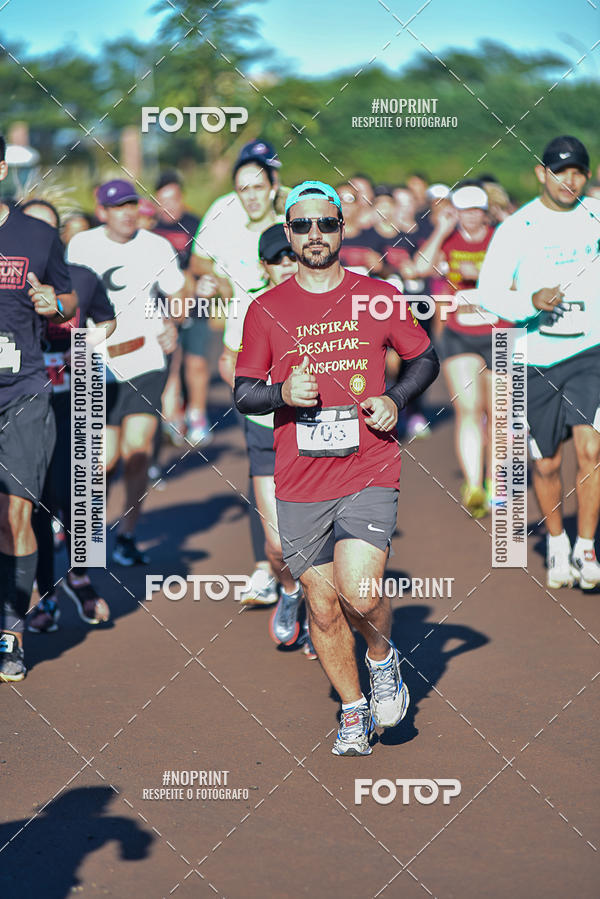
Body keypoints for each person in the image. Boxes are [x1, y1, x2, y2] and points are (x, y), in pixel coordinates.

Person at [234, 181, 439, 755]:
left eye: (326, 223)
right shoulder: (266, 309)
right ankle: (352, 709)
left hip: (368, 466)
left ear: (341, 229)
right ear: (289, 233)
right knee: (322, 606)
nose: (315, 234)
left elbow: (424, 358)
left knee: (361, 592)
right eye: (303, 225)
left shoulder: (377, 296)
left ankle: (382, 660)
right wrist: (281, 393)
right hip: (300, 478)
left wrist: (396, 398)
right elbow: (243, 393)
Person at [477, 136, 600, 588]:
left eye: (578, 172)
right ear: (540, 174)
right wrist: (529, 299)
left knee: (592, 450)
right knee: (546, 462)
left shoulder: (596, 216)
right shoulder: (517, 228)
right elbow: (488, 292)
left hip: (591, 350)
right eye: (559, 171)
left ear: (587, 175)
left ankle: (586, 547)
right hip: (536, 356)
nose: (569, 180)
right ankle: (557, 542)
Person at [68, 179, 183, 566]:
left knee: (137, 452)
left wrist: (172, 323)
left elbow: (178, 292)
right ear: (101, 212)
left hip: (145, 359)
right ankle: (91, 532)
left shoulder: (156, 246)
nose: (127, 213)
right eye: (118, 206)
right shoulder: (80, 246)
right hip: (95, 363)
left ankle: (127, 535)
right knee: (103, 461)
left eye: (132, 204)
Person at [219, 224, 317, 655]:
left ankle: (320, 617)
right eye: (277, 259)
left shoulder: (326, 298)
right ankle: (290, 591)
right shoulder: (248, 304)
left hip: (317, 428)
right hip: (266, 429)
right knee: (278, 545)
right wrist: (252, 389)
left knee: (321, 538)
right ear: (264, 266)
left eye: (292, 256)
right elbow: (228, 360)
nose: (287, 265)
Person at [0, 137, 77, 682]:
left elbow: (69, 300)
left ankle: (11, 633)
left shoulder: (37, 235)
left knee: (14, 517)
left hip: (22, 390)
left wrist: (55, 303)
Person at [19, 199, 116, 632]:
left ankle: (80, 576)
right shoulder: (8, 281)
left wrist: (85, 344)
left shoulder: (83, 278)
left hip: (76, 398)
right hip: (26, 401)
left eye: (45, 229)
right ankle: (45, 594)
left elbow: (107, 320)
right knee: (37, 499)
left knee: (81, 490)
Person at [412, 184, 504, 516]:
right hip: (459, 334)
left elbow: (521, 277)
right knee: (468, 409)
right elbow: (419, 267)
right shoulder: (448, 239)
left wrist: (483, 275)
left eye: (476, 210)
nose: (471, 217)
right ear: (456, 212)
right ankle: (474, 485)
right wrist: (441, 230)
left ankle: (495, 483)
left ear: (485, 212)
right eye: (464, 211)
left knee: (498, 415)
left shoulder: (500, 237)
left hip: (499, 333)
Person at [153, 171, 212, 446]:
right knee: (170, 363)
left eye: (173, 199)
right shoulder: (150, 228)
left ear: (182, 198)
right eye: (162, 200)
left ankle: (197, 416)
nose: (169, 205)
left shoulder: (197, 225)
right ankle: (171, 416)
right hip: (161, 307)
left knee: (196, 361)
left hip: (196, 303)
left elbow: (205, 264)